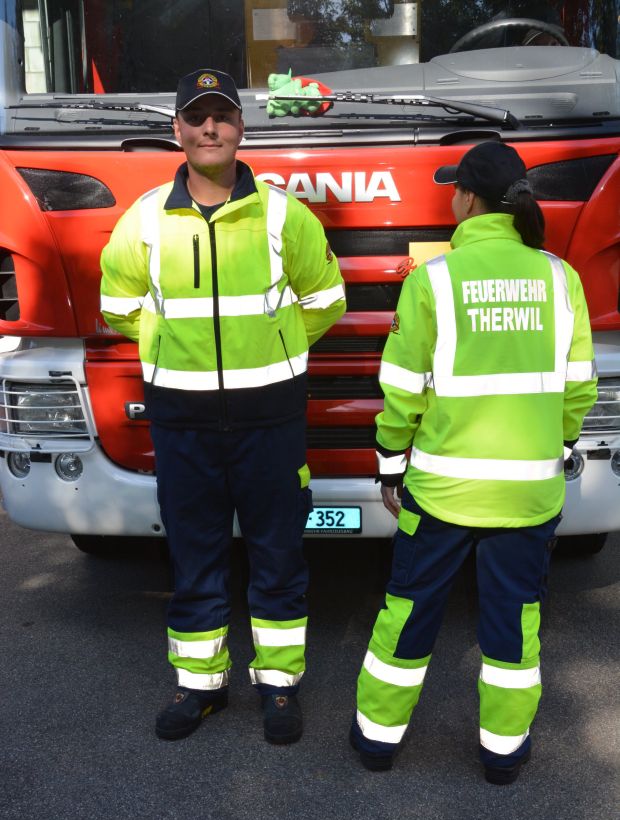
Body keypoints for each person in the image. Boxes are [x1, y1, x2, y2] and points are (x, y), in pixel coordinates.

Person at [100, 69, 346, 744]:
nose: (210, 128)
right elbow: (116, 306)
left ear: (242, 129)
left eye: (222, 116)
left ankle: (279, 687)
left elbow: (328, 300)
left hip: (269, 417)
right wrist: (170, 347)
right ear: (176, 130)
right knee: (195, 553)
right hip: (182, 420)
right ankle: (200, 687)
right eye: (196, 117)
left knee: (277, 553)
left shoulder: (283, 213)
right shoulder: (146, 218)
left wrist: (275, 348)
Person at [349, 141, 597, 783]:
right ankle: (503, 753)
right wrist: (557, 446)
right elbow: (578, 390)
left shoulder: (434, 280)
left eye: (455, 189)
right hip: (529, 497)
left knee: (407, 610)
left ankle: (378, 740)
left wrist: (388, 462)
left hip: (443, 494)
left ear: (467, 199)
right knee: (516, 623)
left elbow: (402, 389)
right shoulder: (559, 277)